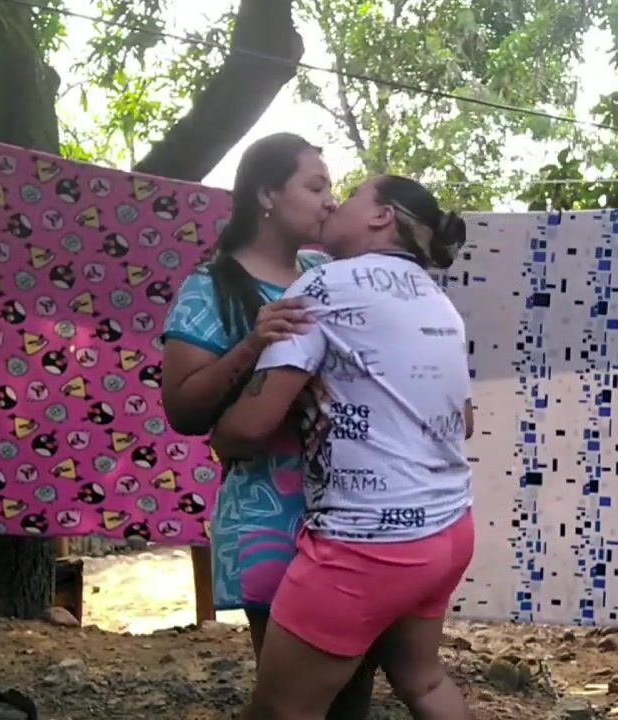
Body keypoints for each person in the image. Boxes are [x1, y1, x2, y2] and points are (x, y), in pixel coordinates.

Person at [213, 175, 475, 720]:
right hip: (448, 529)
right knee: (425, 682)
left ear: (382, 215)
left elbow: (252, 426)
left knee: (279, 710)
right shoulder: (438, 302)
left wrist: (221, 431)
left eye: (352, 194)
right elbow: (464, 421)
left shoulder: (323, 287)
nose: (334, 203)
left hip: (369, 544)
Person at [159, 132, 375, 718]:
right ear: (266, 195)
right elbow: (181, 410)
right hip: (269, 517)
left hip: (355, 510)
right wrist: (254, 343)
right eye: (316, 186)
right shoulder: (210, 288)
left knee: (354, 691)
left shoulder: (328, 272)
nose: (330, 200)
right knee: (292, 700)